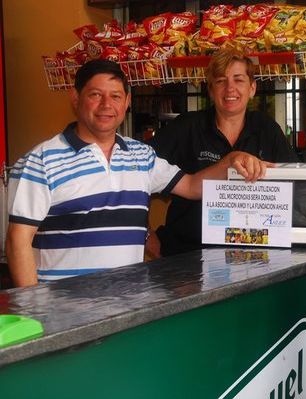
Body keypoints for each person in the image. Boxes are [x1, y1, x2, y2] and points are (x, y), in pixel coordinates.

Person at [5, 59, 267, 287]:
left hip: (126, 309)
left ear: (127, 102)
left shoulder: (142, 156)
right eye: (96, 94)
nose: (107, 105)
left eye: (116, 96)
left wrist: (231, 160)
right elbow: (18, 241)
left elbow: (191, 186)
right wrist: (34, 309)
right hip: (64, 317)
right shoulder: (40, 161)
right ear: (75, 98)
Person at [147, 48, 297, 257]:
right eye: (220, 81)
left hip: (254, 258)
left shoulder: (267, 129)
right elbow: (134, 172)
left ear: (252, 88)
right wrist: (146, 236)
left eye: (239, 80)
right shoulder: (186, 128)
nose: (230, 89)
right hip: (187, 259)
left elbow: (295, 186)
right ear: (210, 90)